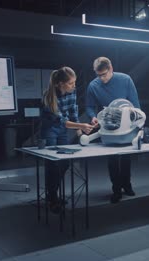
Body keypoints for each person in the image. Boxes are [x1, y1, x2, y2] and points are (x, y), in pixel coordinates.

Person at [86, 57, 141, 203]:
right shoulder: (93, 85)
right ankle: (116, 189)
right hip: (107, 124)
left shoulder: (126, 79)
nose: (101, 78)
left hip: (126, 122)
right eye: (98, 75)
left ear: (111, 69)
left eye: (104, 74)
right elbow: (89, 107)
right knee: (112, 158)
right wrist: (92, 117)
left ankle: (127, 185)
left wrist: (136, 122)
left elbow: (135, 104)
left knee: (126, 157)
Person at [41, 66, 94, 213]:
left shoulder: (72, 93)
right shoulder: (48, 97)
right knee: (52, 165)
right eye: (71, 83)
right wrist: (82, 126)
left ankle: (54, 194)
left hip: (64, 131)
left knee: (64, 164)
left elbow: (73, 114)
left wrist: (80, 134)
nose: (74, 86)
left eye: (74, 82)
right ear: (60, 84)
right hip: (50, 130)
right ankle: (52, 198)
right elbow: (61, 120)